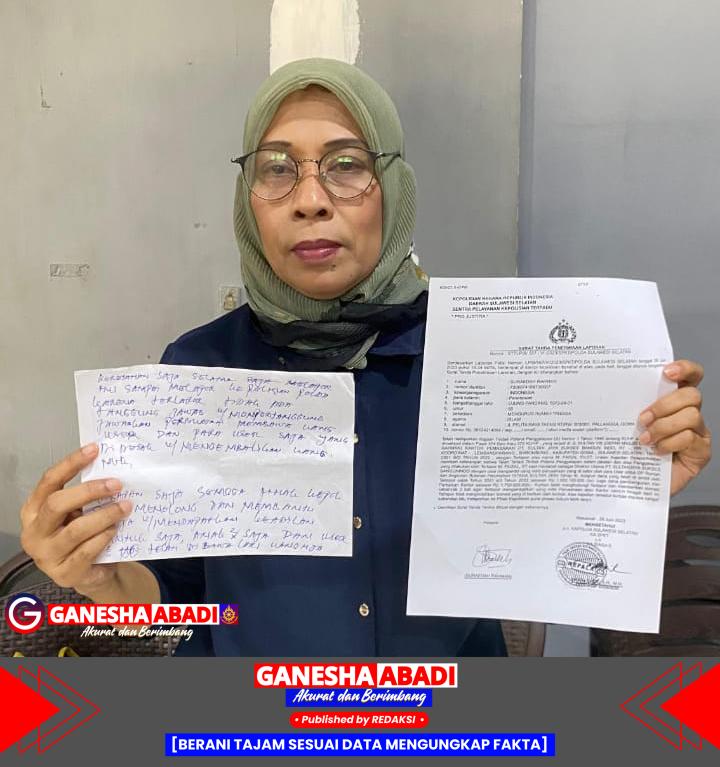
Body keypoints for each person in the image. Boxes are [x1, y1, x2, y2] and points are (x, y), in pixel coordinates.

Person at [19, 59, 712, 656]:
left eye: (347, 165)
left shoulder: (482, 356)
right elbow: (177, 597)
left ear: (394, 187)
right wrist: (100, 579)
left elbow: (540, 544)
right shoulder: (199, 367)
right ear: (247, 200)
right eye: (276, 169)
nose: (310, 201)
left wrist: (628, 478)